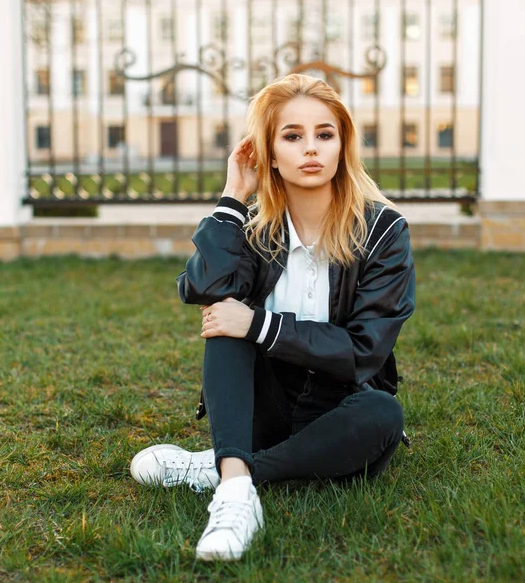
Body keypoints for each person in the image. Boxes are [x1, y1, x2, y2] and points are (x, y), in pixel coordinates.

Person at [129, 73, 415, 561]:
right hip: (264, 406)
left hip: (341, 411)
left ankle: (227, 471)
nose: (311, 149)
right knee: (225, 316)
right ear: (269, 151)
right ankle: (238, 497)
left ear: (343, 145)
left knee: (384, 414)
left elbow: (364, 353)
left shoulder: (384, 231)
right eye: (292, 135)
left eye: (325, 134)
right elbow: (201, 288)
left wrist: (260, 325)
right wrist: (231, 200)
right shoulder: (256, 229)